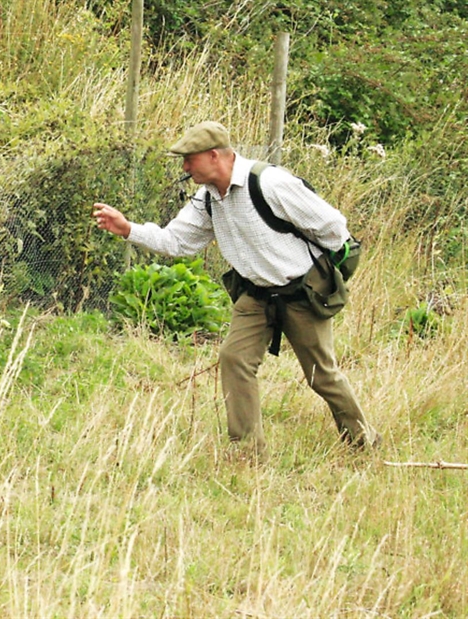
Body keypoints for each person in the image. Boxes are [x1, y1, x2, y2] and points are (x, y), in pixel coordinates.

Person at [92, 121, 380, 454]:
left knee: (321, 376)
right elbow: (177, 241)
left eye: (189, 159)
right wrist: (128, 229)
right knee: (234, 359)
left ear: (214, 156)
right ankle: (247, 452)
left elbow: (333, 228)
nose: (185, 168)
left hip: (301, 294)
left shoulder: (271, 183)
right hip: (256, 295)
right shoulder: (208, 198)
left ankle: (364, 442)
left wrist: (319, 276)